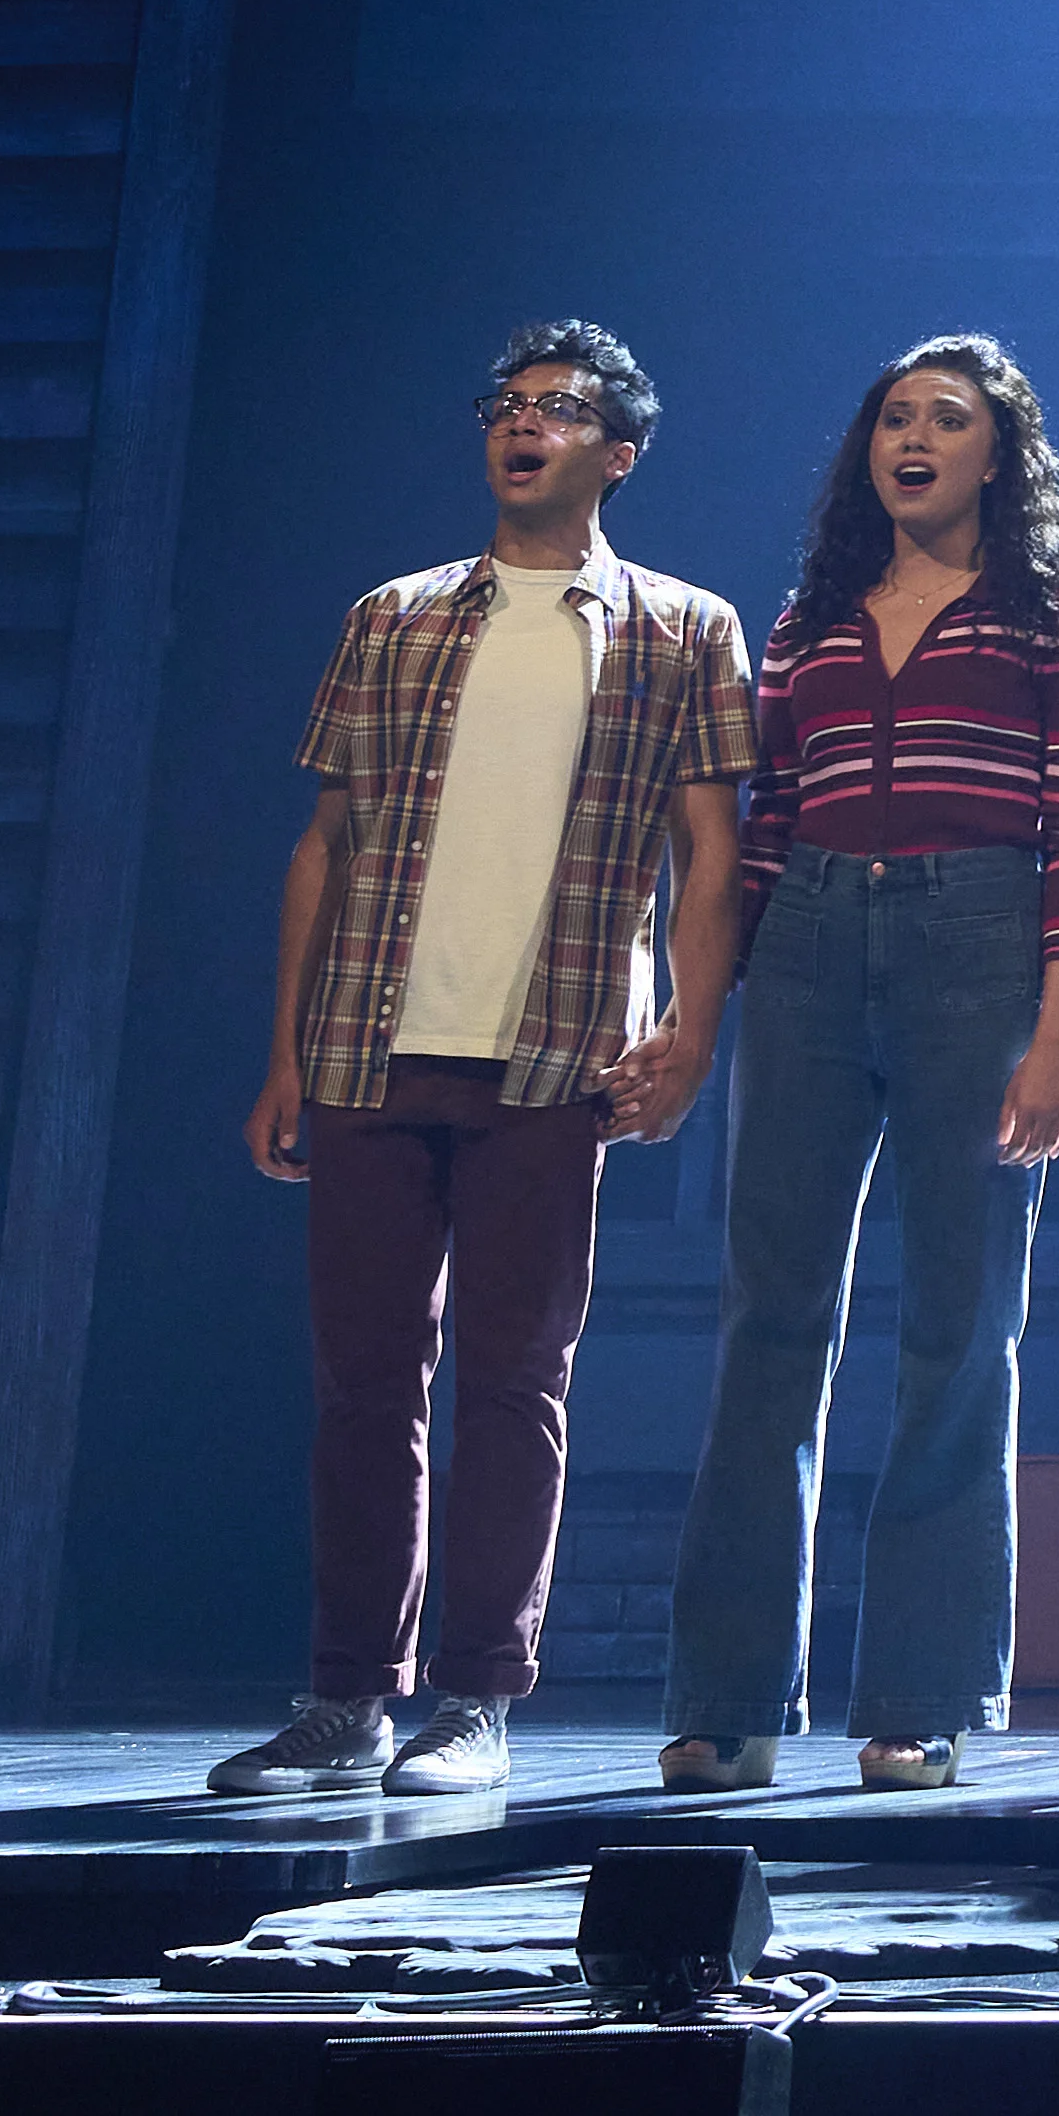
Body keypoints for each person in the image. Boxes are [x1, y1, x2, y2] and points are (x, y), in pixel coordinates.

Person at [213, 322, 750, 1801]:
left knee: (519, 1374)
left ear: (617, 451)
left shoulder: (681, 628)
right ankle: (343, 1700)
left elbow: (714, 852)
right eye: (506, 406)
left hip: (555, 1046)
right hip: (370, 1040)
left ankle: (474, 1700)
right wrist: (283, 1054)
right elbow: (321, 846)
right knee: (362, 1380)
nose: (523, 427)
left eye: (560, 409)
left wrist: (692, 1026)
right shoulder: (393, 614)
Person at [656, 336, 1059, 1792]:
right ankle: (727, 1697)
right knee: (771, 1315)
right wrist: (706, 1010)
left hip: (978, 942)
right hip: (807, 941)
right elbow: (768, 819)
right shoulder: (809, 617)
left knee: (958, 1324)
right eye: (894, 417)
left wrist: (1056, 1030)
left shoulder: (1056, 612)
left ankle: (917, 1698)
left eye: (949, 418)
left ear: (1002, 453)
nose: (914, 437)